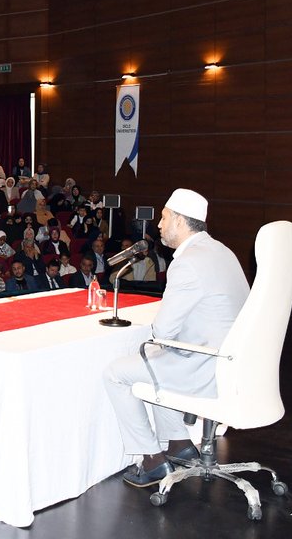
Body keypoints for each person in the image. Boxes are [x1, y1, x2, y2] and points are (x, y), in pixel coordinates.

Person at [103, 189, 250, 487]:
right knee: (159, 359)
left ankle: (152, 459)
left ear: (181, 222)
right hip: (234, 363)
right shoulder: (223, 252)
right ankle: (179, 443)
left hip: (207, 367)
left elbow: (163, 331)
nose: (158, 224)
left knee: (117, 373)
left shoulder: (187, 262)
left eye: (165, 217)